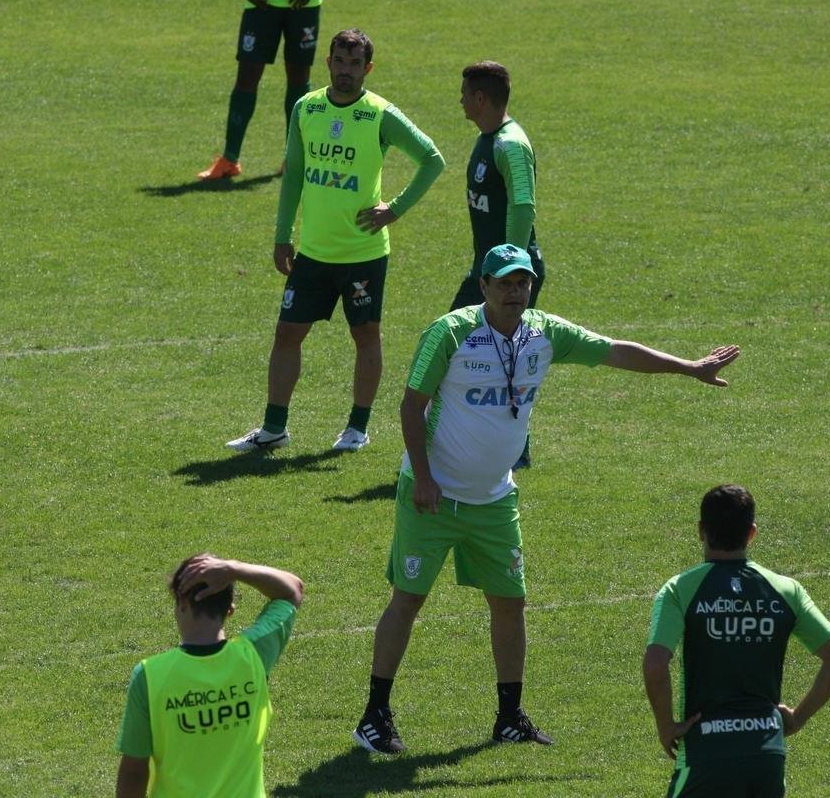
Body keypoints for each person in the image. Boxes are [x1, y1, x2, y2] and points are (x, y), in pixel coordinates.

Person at [351, 243, 742, 754]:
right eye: (505, 283)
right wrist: (423, 477)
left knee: (511, 604)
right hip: (434, 497)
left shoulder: (544, 332)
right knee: (408, 600)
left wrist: (688, 367)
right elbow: (410, 405)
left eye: (523, 282)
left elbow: (615, 350)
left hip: (494, 499)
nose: (516, 291)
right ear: (483, 286)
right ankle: (374, 715)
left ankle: (509, 716)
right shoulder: (449, 332)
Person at [227, 28, 445, 454]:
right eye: (339, 62)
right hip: (313, 253)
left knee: (365, 337)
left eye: (355, 64)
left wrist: (394, 209)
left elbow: (432, 159)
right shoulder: (306, 108)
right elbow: (293, 174)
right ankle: (274, 428)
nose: (346, 71)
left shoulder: (380, 114)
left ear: (368, 68)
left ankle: (357, 428)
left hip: (363, 254)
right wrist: (281, 236)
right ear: (328, 63)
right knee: (287, 334)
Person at [643, 485, 830, 798]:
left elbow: (656, 664)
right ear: (752, 533)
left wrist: (666, 726)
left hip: (706, 752)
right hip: (766, 753)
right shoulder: (786, 590)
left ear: (701, 531)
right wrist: (797, 717)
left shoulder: (679, 590)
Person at [114, 554, 304, 797]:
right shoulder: (253, 655)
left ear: (181, 602)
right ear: (230, 609)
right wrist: (233, 569)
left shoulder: (150, 675)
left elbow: (134, 770)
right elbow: (292, 590)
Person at [453, 60, 543, 470]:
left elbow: (523, 206)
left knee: (502, 358)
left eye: (464, 93)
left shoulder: (510, 144)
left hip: (503, 276)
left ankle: (511, 451)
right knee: (464, 349)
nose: (460, 100)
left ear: (480, 98)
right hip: (487, 273)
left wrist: (509, 276)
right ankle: (482, 444)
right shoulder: (488, 138)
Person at [198, 0, 325, 181]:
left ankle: (294, 160)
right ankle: (230, 159)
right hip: (261, 6)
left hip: (304, 6)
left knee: (299, 78)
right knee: (247, 77)